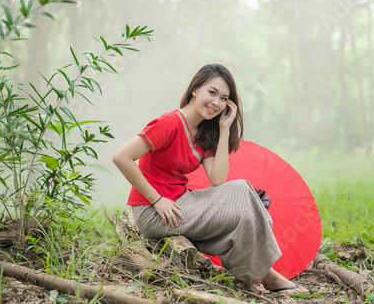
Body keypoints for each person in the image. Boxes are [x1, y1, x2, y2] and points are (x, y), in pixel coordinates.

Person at [112, 64, 308, 295]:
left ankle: (254, 276)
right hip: (154, 211)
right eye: (212, 92)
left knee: (243, 190)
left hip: (181, 202)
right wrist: (157, 199)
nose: (216, 102)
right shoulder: (169, 123)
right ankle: (269, 277)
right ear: (195, 89)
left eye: (224, 98)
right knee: (244, 202)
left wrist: (224, 129)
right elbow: (121, 157)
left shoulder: (203, 134)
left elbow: (218, 179)